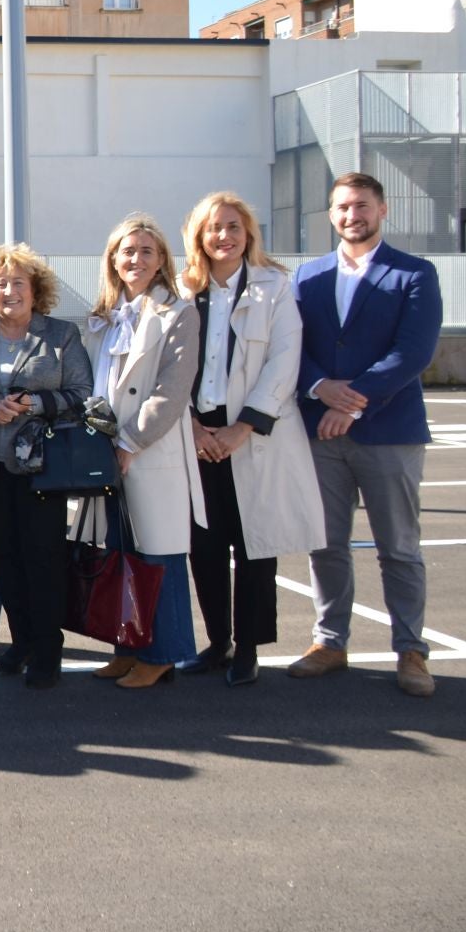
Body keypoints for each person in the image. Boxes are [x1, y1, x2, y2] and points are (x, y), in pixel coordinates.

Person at [290, 172, 443, 697]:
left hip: (388, 432)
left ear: (382, 210)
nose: (351, 216)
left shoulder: (415, 274)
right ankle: (330, 642)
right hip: (319, 431)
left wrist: (350, 403)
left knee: (398, 548)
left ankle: (411, 651)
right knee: (326, 545)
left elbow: (414, 352)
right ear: (331, 215)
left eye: (361, 206)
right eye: (341, 208)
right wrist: (318, 386)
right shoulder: (306, 277)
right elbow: (292, 347)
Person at [177, 192, 325, 687]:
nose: (224, 235)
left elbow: (286, 360)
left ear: (249, 234)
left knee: (255, 546)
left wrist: (242, 428)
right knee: (205, 545)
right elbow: (167, 365)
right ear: (199, 235)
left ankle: (250, 649)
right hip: (196, 431)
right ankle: (218, 641)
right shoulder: (181, 290)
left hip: (254, 431)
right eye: (214, 227)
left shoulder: (274, 287)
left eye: (234, 226)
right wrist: (194, 427)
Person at [0, 244, 91, 690]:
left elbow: (83, 392)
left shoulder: (61, 335)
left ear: (36, 289)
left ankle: (48, 648)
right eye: (0, 284)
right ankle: (22, 640)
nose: (9, 291)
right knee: (4, 559)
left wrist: (37, 403)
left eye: (18, 283)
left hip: (42, 467)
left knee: (43, 559)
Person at [79, 214, 203, 690]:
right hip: (106, 451)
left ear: (162, 261)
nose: (136, 259)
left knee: (160, 555)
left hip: (150, 453)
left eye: (147, 251)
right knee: (120, 552)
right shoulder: (104, 316)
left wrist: (130, 442)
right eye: (127, 251)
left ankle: (163, 653)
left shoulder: (179, 312)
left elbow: (172, 391)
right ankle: (127, 645)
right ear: (113, 258)